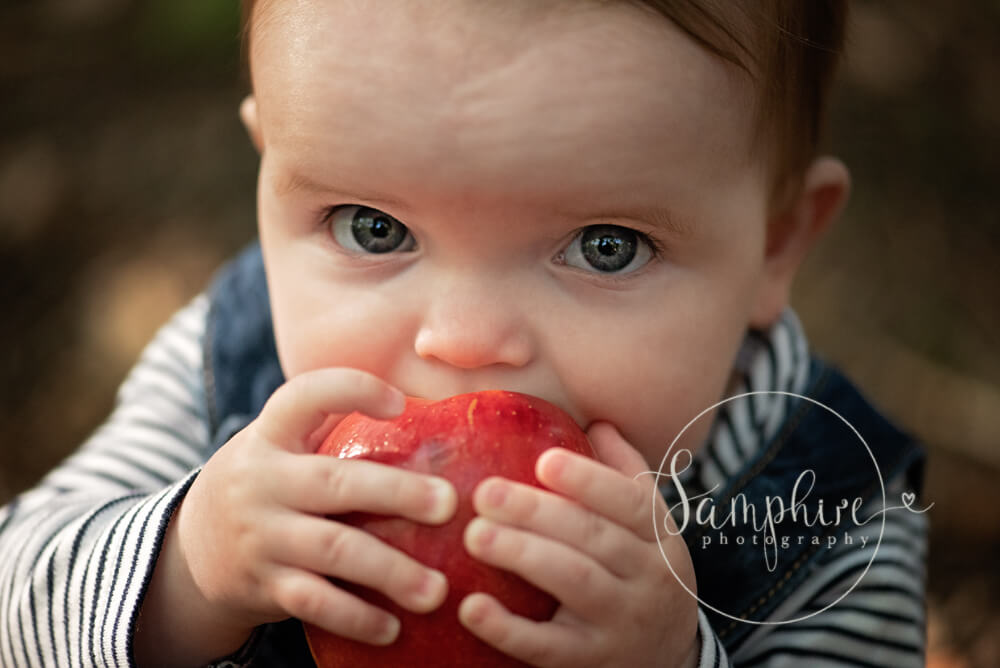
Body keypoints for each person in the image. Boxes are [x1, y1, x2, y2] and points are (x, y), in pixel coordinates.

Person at [0, 0, 928, 666]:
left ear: (776, 243)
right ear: (268, 168)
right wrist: (185, 571)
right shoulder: (217, 376)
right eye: (374, 227)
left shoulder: (831, 509)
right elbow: (16, 602)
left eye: (606, 248)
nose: (465, 339)